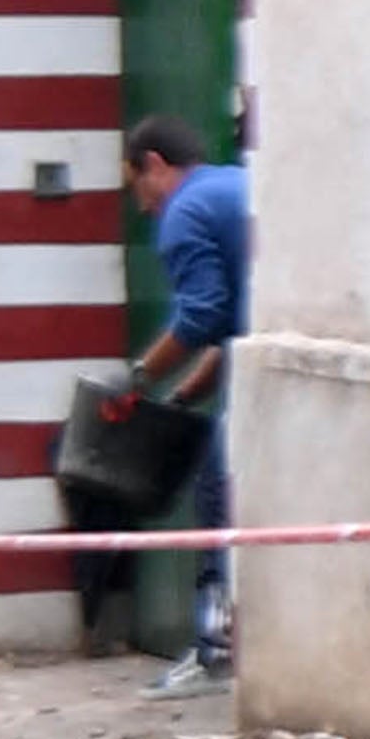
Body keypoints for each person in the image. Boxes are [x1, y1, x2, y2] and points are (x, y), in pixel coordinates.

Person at [135, 107, 256, 681]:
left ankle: (215, 649)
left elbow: (203, 314)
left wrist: (138, 378)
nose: (141, 205)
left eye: (138, 186)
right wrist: (185, 394)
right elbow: (231, 318)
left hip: (263, 370)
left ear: (154, 166)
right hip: (267, 351)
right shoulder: (234, 183)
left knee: (214, 493)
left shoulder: (183, 211)